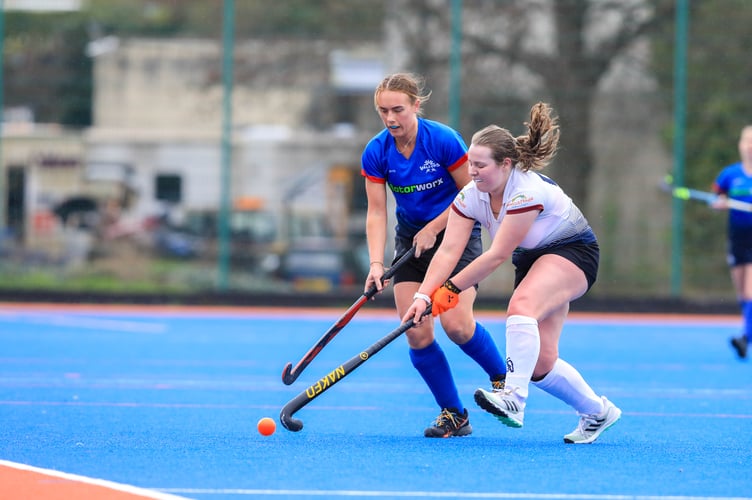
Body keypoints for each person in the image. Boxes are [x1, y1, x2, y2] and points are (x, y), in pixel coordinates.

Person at [404, 102, 622, 444]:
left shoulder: (524, 192)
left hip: (572, 251)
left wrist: (447, 292)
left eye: (480, 165)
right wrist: (422, 296)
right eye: (469, 164)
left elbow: (497, 255)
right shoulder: (470, 196)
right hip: (533, 260)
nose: (472, 172)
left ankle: (513, 399)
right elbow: (448, 250)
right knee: (540, 364)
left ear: (506, 164)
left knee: (520, 306)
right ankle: (597, 412)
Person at [361, 73, 507, 438]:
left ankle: (505, 379)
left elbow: (471, 193)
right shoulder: (376, 151)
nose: (391, 119)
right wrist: (377, 264)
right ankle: (453, 415)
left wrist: (437, 227)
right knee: (417, 332)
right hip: (411, 241)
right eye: (383, 111)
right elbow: (377, 212)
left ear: (415, 106)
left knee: (456, 325)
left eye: (398, 110)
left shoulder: (442, 140)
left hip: (457, 235)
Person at [712, 125, 752, 359]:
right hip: (737, 238)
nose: (750, 146)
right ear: (740, 145)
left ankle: (745, 338)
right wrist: (719, 203)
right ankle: (747, 333)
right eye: (746, 140)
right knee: (741, 291)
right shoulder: (730, 174)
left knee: (750, 291)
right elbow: (717, 196)